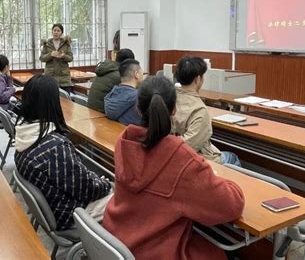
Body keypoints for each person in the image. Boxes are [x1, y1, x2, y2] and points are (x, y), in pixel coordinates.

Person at [102, 76, 245, 260]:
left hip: (118, 239)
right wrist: (214, 176)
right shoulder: (180, 159)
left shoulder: (125, 141)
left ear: (138, 108)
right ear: (174, 109)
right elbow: (231, 206)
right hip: (156, 252)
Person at [15, 75, 112, 230]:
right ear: (52, 103)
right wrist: (105, 184)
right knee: (129, 200)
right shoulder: (55, 147)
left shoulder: (23, 133)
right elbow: (87, 190)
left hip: (55, 207)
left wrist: (94, 180)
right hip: (72, 213)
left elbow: (76, 179)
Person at [172, 56, 241, 165]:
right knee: (232, 157)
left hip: (174, 152)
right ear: (197, 79)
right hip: (196, 159)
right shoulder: (200, 110)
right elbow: (189, 146)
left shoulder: (169, 97)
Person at [104, 59, 144, 125]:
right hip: (133, 134)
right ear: (136, 74)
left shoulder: (111, 94)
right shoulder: (138, 97)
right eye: (142, 73)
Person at [40, 23, 74, 93]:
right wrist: (50, 54)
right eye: (54, 30)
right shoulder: (46, 44)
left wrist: (63, 56)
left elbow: (70, 58)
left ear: (61, 33)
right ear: (52, 32)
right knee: (51, 101)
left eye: (58, 31)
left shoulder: (66, 44)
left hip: (64, 79)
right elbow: (42, 58)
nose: (56, 32)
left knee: (66, 101)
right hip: (50, 78)